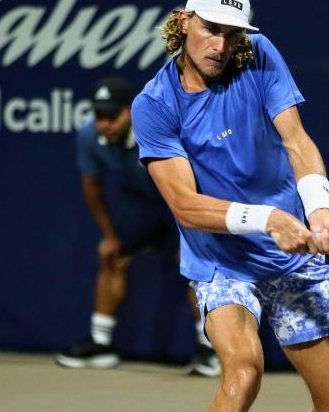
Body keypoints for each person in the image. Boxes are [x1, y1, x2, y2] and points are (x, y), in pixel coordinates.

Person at [131, 0, 329, 412]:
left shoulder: (259, 56)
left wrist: (321, 213)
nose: (222, 44)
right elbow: (185, 205)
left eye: (233, 34)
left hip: (287, 253)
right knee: (243, 368)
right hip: (219, 261)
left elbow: (298, 141)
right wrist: (266, 219)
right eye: (211, 29)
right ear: (183, 22)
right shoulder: (154, 103)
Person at [56, 76, 221, 377]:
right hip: (142, 203)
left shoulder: (159, 125)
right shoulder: (88, 136)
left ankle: (210, 348)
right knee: (112, 256)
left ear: (130, 111)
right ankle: (100, 343)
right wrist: (109, 235)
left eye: (111, 116)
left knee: (196, 267)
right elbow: (92, 188)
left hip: (184, 198)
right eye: (98, 115)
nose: (103, 124)